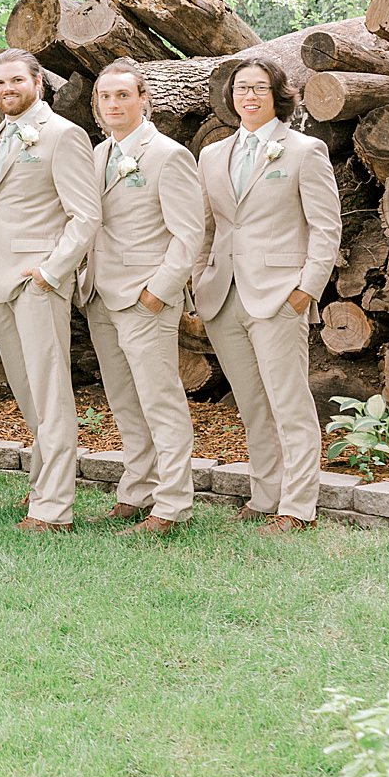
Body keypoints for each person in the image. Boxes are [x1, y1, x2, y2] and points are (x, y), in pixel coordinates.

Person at [195, 58, 342, 534]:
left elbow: (326, 227)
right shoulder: (213, 155)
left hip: (281, 294)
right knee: (251, 402)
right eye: (241, 88)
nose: (249, 96)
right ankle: (265, 494)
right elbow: (206, 227)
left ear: (277, 94)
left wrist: (306, 290)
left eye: (259, 87)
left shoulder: (303, 150)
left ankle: (298, 507)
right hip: (224, 295)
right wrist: (200, 278)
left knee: (289, 402)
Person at [0, 49, 100, 533]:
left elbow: (86, 215)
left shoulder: (64, 136)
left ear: (38, 84)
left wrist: (52, 271)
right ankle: (44, 485)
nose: (7, 89)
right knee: (28, 393)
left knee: (50, 393)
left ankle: (54, 508)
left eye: (16, 81)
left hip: (38, 281)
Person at [80, 59, 204, 537]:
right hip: (101, 295)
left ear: (143, 100)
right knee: (124, 401)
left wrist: (159, 291)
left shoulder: (168, 155)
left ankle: (172, 505)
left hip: (144, 297)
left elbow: (189, 234)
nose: (113, 104)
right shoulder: (97, 154)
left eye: (122, 95)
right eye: (105, 97)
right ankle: (137, 491)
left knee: (160, 400)